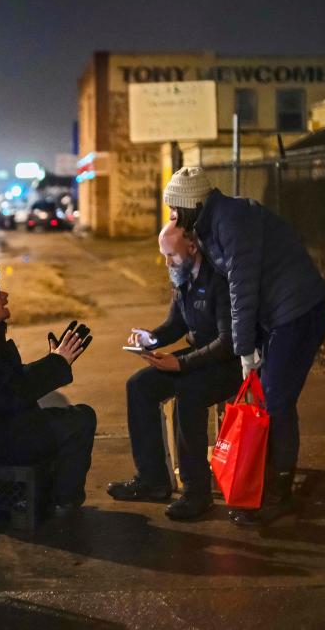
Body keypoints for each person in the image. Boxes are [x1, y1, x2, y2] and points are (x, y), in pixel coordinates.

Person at [164, 166, 325, 525]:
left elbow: (242, 286)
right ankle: (265, 483)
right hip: (278, 316)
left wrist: (242, 348)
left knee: (275, 400)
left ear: (192, 204)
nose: (173, 220)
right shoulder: (210, 225)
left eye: (175, 212)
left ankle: (278, 492)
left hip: (298, 312)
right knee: (273, 399)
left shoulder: (232, 221)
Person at [107, 221, 242, 521]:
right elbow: (176, 325)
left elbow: (228, 343)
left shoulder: (220, 280)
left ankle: (197, 492)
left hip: (227, 363)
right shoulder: (181, 278)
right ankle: (152, 480)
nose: (167, 262)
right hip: (197, 357)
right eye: (164, 255)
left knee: (189, 393)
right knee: (139, 385)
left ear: (193, 247)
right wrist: (150, 338)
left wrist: (180, 364)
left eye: (172, 255)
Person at [0, 267, 96, 516]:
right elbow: (11, 394)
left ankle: (51, 495)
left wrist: (54, 361)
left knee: (64, 417)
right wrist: (57, 363)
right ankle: (64, 501)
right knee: (81, 419)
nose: (5, 296)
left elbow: (8, 382)